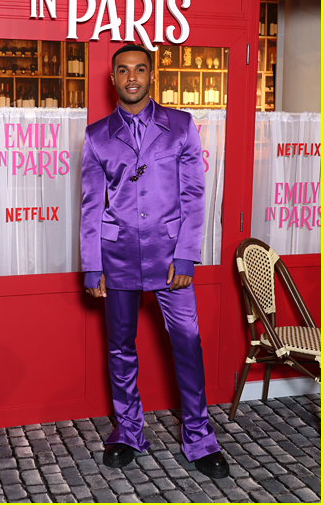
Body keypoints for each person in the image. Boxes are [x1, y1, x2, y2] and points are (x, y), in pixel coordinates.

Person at [80, 44, 229, 478]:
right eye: (123, 71)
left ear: (151, 76)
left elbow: (194, 196)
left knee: (187, 342)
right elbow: (91, 206)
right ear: (112, 79)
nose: (131, 78)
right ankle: (128, 431)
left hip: (170, 258)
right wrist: (93, 265)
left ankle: (199, 438)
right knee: (120, 347)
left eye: (139, 70)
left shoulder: (181, 126)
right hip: (117, 255)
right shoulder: (96, 136)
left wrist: (186, 255)